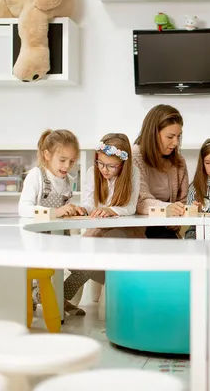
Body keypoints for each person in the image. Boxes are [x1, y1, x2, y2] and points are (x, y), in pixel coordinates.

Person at [62, 133, 141, 314]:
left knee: (94, 248)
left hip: (124, 230)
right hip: (99, 227)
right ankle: (62, 297)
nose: (104, 169)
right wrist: (83, 209)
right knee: (82, 252)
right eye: (100, 163)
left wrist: (111, 210)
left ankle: (61, 296)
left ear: (123, 164)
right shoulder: (93, 172)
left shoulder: (133, 173)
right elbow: (89, 202)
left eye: (111, 166)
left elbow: (130, 208)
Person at [18, 129, 87, 315]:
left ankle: (53, 298)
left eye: (72, 161)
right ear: (47, 155)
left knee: (85, 269)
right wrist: (55, 212)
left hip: (60, 240)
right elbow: (23, 209)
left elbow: (63, 210)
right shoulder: (37, 175)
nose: (67, 166)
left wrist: (74, 210)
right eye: (62, 160)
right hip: (38, 242)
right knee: (46, 273)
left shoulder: (67, 180)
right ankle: (45, 298)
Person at [132, 104, 189, 238]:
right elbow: (140, 201)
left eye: (178, 136)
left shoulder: (179, 161)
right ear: (153, 133)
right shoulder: (134, 155)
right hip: (138, 227)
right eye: (170, 137)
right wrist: (169, 209)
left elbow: (183, 201)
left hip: (165, 227)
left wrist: (178, 218)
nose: (175, 142)